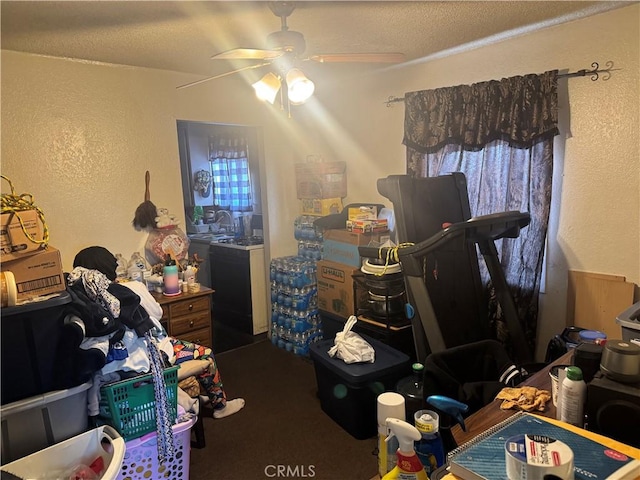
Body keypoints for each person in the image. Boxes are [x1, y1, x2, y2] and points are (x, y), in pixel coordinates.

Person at [72, 246, 245, 419]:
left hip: (116, 367)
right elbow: (157, 313)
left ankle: (201, 396)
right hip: (150, 355)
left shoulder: (81, 300)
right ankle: (220, 406)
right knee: (205, 353)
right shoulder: (131, 287)